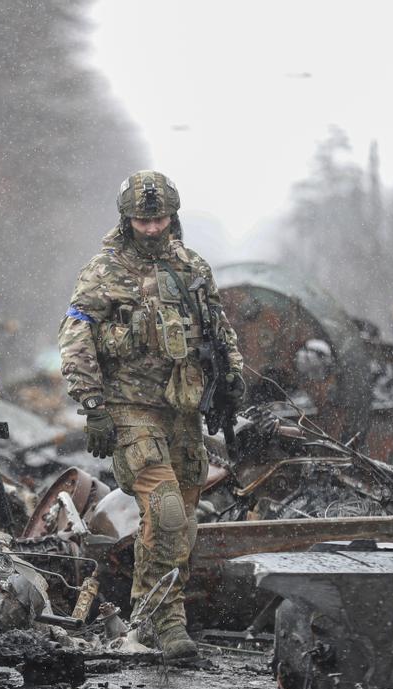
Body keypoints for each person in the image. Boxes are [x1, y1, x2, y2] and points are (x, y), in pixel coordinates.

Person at [57, 170, 245, 661]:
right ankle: (170, 619)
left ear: (173, 216)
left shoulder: (192, 267)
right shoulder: (104, 270)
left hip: (183, 412)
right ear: (127, 219)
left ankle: (145, 610)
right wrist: (93, 406)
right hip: (130, 408)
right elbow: (75, 337)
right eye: (142, 220)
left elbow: (219, 329)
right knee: (162, 508)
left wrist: (232, 380)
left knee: (179, 523)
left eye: (159, 218)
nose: (152, 228)